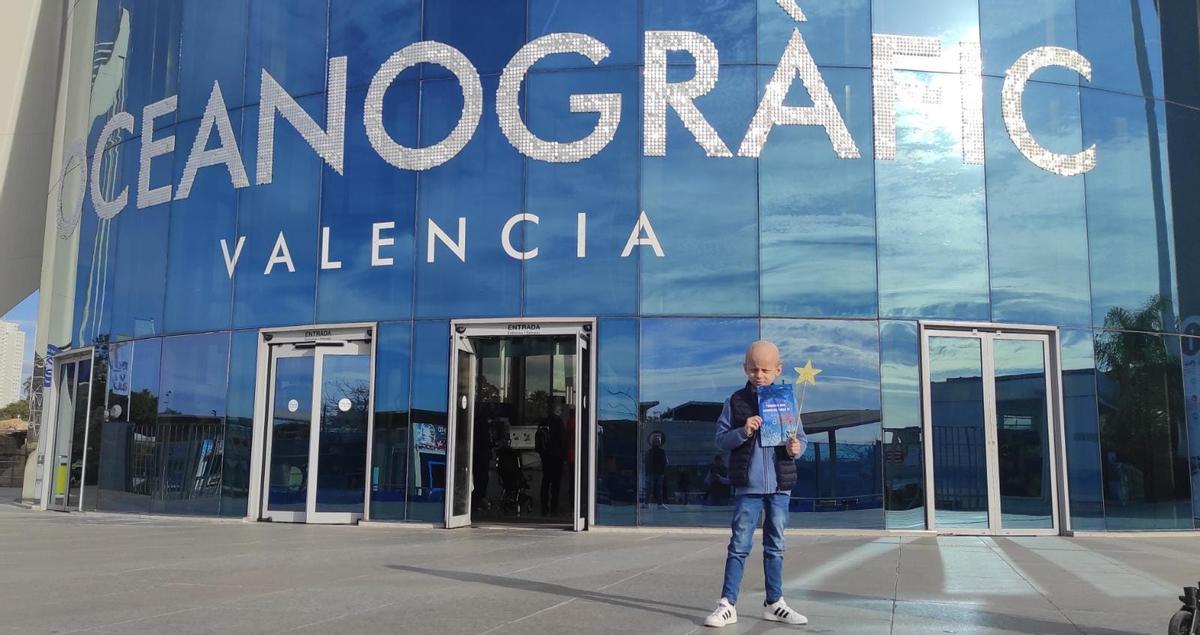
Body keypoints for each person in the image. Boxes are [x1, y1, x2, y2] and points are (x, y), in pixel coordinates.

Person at [703, 340, 808, 628]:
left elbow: (802, 441)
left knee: (776, 545)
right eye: (752, 369)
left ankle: (774, 602)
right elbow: (720, 439)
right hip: (747, 487)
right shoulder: (735, 401)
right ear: (744, 368)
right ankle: (727, 604)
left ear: (778, 369)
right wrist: (743, 431)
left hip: (780, 487)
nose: (758, 375)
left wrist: (797, 448)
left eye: (764, 369)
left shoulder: (787, 400)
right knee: (739, 545)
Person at [644, 430, 669, 509]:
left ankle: (646, 504)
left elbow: (644, 461)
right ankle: (660, 504)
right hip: (659, 473)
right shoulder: (662, 452)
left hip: (650, 473)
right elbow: (666, 462)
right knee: (659, 489)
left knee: (649, 489)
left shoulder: (648, 452)